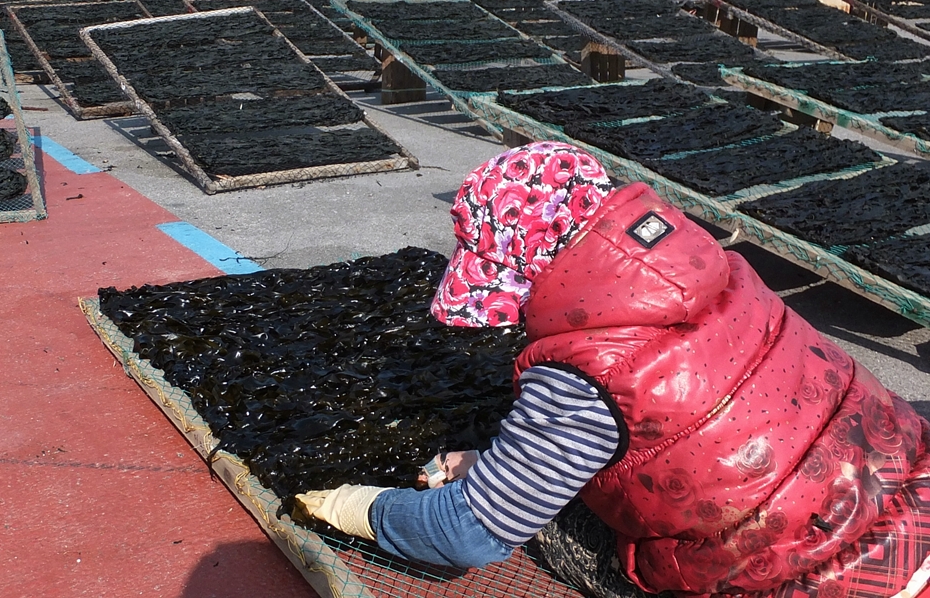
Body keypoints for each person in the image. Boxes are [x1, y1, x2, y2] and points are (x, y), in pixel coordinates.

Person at [297, 142, 930, 598]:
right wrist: (495, 467)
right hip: (914, 506)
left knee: (562, 529)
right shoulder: (720, 273)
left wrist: (361, 507)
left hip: (828, 581)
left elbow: (467, 536)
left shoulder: (586, 379)